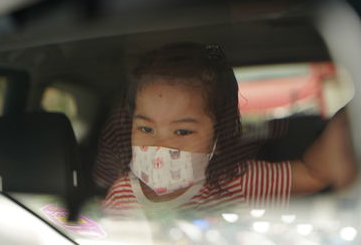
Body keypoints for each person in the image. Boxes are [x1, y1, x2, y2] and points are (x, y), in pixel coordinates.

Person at [93, 42, 357, 214]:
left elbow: (315, 174)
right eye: (146, 129)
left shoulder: (237, 181)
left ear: (218, 136)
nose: (159, 146)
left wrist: (350, 113)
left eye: (183, 131)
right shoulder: (121, 192)